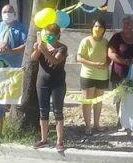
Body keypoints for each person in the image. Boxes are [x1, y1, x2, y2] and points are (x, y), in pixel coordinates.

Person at [31, 23, 68, 151]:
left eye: (51, 36)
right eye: (46, 35)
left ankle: (60, 141)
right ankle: (43, 139)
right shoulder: (43, 46)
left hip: (58, 83)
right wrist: (37, 49)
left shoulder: (62, 48)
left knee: (58, 111)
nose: (48, 38)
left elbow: (55, 61)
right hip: (42, 83)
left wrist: (45, 51)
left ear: (57, 35)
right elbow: (33, 58)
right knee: (43, 111)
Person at [77, 19, 109, 134]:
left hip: (102, 76)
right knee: (87, 101)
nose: (98, 29)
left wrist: (106, 64)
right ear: (92, 27)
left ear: (104, 30)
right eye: (96, 26)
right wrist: (94, 64)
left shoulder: (106, 42)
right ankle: (87, 126)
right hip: (88, 75)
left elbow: (109, 57)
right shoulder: (85, 41)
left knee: (98, 101)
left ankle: (96, 124)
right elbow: (79, 58)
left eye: (100, 27)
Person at [108, 16, 133, 87]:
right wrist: (125, 62)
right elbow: (110, 53)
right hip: (119, 75)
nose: (125, 25)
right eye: (124, 23)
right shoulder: (116, 37)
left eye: (128, 23)